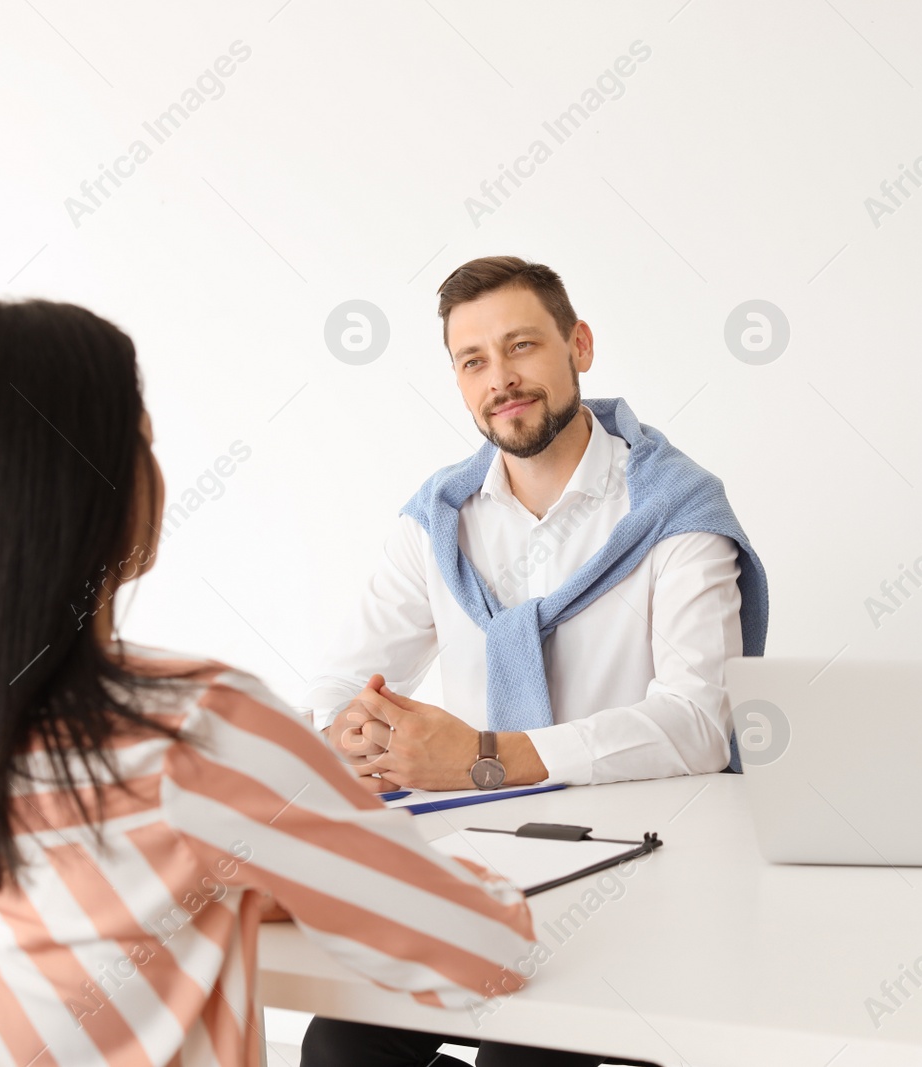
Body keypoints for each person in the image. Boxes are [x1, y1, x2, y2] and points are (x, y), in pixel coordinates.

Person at [0, 300, 536, 1065]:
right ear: (92, 491)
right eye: (144, 444)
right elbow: (488, 946)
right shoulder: (196, 731)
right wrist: (313, 855)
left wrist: (246, 866)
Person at [298, 257, 764, 1065]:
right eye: (473, 361)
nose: (501, 380)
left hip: (639, 870)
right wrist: (356, 732)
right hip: (478, 860)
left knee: (526, 1055)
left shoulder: (678, 511)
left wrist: (483, 757)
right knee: (343, 1046)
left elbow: (697, 722)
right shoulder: (439, 519)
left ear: (578, 344)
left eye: (521, 347)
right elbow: (339, 682)